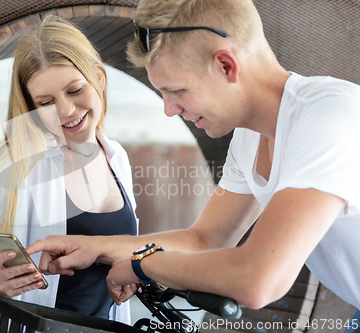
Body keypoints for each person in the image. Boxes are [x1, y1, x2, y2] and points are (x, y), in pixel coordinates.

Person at [27, 0, 360, 330]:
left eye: (177, 90)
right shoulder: (248, 139)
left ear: (226, 65)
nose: (169, 109)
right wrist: (93, 247)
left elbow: (259, 279)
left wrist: (145, 266)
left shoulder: (328, 116)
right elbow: (203, 240)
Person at [0, 15, 139, 333]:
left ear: (100, 78)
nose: (65, 110)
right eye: (46, 102)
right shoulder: (19, 167)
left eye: (75, 90)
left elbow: (121, 255)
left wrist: (129, 275)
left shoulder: (117, 156)